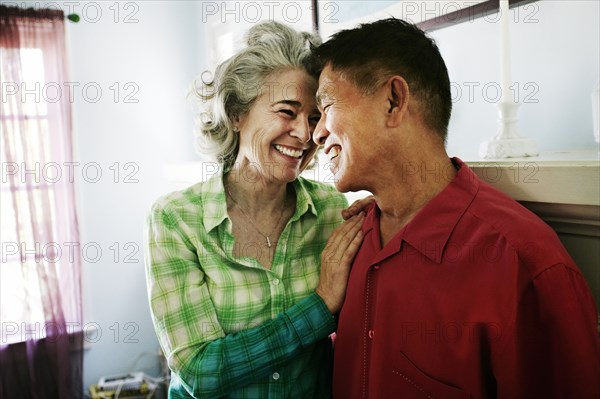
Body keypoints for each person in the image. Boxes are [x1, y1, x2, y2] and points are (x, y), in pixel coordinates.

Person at [311, 17, 600, 399]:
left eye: (326, 106)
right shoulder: (350, 243)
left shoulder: (525, 265)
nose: (316, 134)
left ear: (393, 101)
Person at [144, 21, 364, 398]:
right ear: (235, 113)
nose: (304, 133)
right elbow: (201, 372)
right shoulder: (175, 219)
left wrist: (387, 214)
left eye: (315, 118)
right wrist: (319, 306)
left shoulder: (330, 210)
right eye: (286, 111)